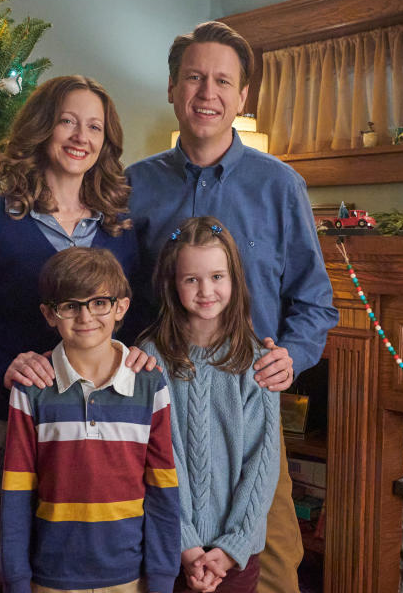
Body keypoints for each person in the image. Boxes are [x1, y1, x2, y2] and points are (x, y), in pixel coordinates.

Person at [126, 21, 339, 593]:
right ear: (172, 88)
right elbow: (112, 298)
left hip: (249, 428)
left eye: (223, 81)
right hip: (155, 426)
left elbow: (316, 302)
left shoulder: (280, 186)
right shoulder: (131, 188)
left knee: (271, 571)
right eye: (194, 77)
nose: (207, 93)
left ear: (243, 97)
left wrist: (289, 356)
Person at [0, 75, 152, 593]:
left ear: (106, 142)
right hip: (7, 424)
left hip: (99, 428)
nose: (80, 136)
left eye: (94, 126)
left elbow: (138, 319)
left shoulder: (119, 230)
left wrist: (140, 355)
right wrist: (0, 370)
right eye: (67, 121)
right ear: (41, 129)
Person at [0, 247, 180, 593]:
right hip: (50, 578)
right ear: (50, 314)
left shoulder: (149, 384)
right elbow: (16, 493)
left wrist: (160, 578)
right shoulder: (32, 389)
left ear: (120, 307)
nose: (85, 317)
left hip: (129, 578)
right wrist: (17, 581)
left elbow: (162, 491)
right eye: (70, 305)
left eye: (99, 303)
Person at [142, 217, 279, 593]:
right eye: (192, 279)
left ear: (234, 279)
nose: (206, 290)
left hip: (235, 556)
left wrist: (232, 547)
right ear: (173, 283)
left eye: (217, 276)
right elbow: (153, 458)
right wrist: (184, 541)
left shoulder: (257, 361)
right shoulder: (149, 359)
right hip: (167, 547)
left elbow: (262, 463)